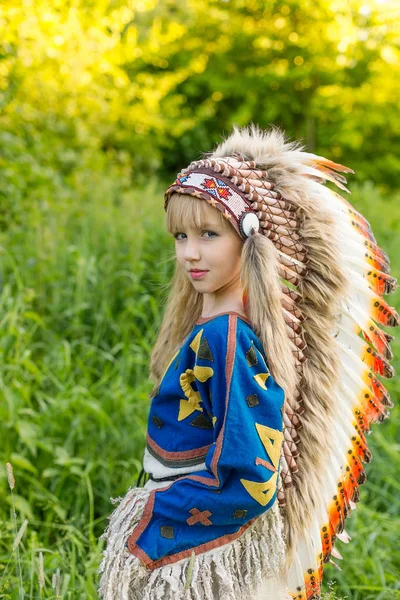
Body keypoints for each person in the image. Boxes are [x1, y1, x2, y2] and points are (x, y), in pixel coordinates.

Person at [98, 124, 398, 600]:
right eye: (180, 235)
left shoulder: (229, 338)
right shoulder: (217, 329)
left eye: (208, 234)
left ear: (249, 242)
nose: (189, 253)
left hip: (201, 546)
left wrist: (156, 517)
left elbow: (252, 475)